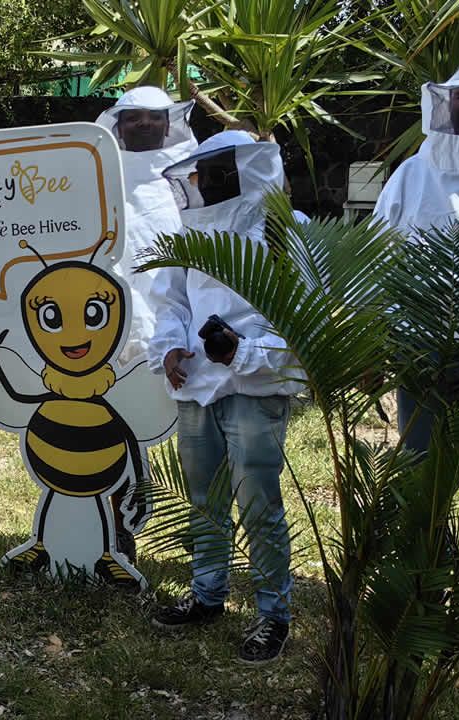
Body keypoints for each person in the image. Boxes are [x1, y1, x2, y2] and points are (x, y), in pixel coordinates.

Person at [147, 130, 303, 665]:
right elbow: (169, 303)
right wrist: (169, 347)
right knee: (204, 500)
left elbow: (307, 330)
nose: (209, 182)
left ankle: (273, 614)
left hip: (257, 392)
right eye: (203, 172)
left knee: (259, 504)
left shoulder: (288, 233)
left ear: (249, 169)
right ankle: (207, 595)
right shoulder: (190, 233)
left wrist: (243, 351)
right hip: (196, 389)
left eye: (221, 171)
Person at [374, 55, 459, 596]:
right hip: (421, 349)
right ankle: (416, 583)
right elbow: (378, 257)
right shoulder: (413, 174)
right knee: (423, 471)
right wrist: (374, 340)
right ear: (446, 104)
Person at [94, 85, 198, 559]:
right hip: (112, 322)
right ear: (118, 122)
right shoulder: (95, 174)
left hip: (178, 324)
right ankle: (118, 525)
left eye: (155, 118)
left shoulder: (190, 176)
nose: (144, 126)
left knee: (191, 433)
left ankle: (200, 532)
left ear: (169, 123)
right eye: (134, 118)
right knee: (115, 425)